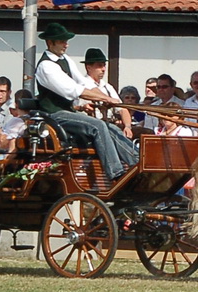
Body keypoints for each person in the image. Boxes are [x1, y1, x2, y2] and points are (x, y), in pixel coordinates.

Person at [33, 22, 138, 179]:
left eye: (66, 41)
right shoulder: (46, 66)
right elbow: (73, 90)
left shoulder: (66, 59)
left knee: (111, 127)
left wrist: (108, 99)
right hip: (54, 115)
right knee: (98, 126)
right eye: (62, 41)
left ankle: (137, 162)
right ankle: (116, 172)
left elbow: (84, 83)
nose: (66, 45)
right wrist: (106, 98)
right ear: (50, 42)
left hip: (67, 112)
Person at [82, 49, 133, 137]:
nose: (103, 69)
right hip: (88, 128)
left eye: (104, 65)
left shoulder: (108, 87)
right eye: (99, 66)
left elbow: (122, 109)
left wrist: (127, 126)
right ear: (88, 67)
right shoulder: (81, 85)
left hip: (109, 126)